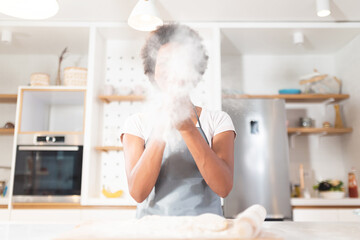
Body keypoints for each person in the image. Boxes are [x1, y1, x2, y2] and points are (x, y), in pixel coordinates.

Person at [120, 24, 236, 218]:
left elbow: (223, 187)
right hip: (152, 232)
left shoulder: (218, 120)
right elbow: (138, 192)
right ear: (153, 70)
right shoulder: (136, 124)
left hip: (205, 231)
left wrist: (188, 128)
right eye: (164, 62)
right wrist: (164, 124)